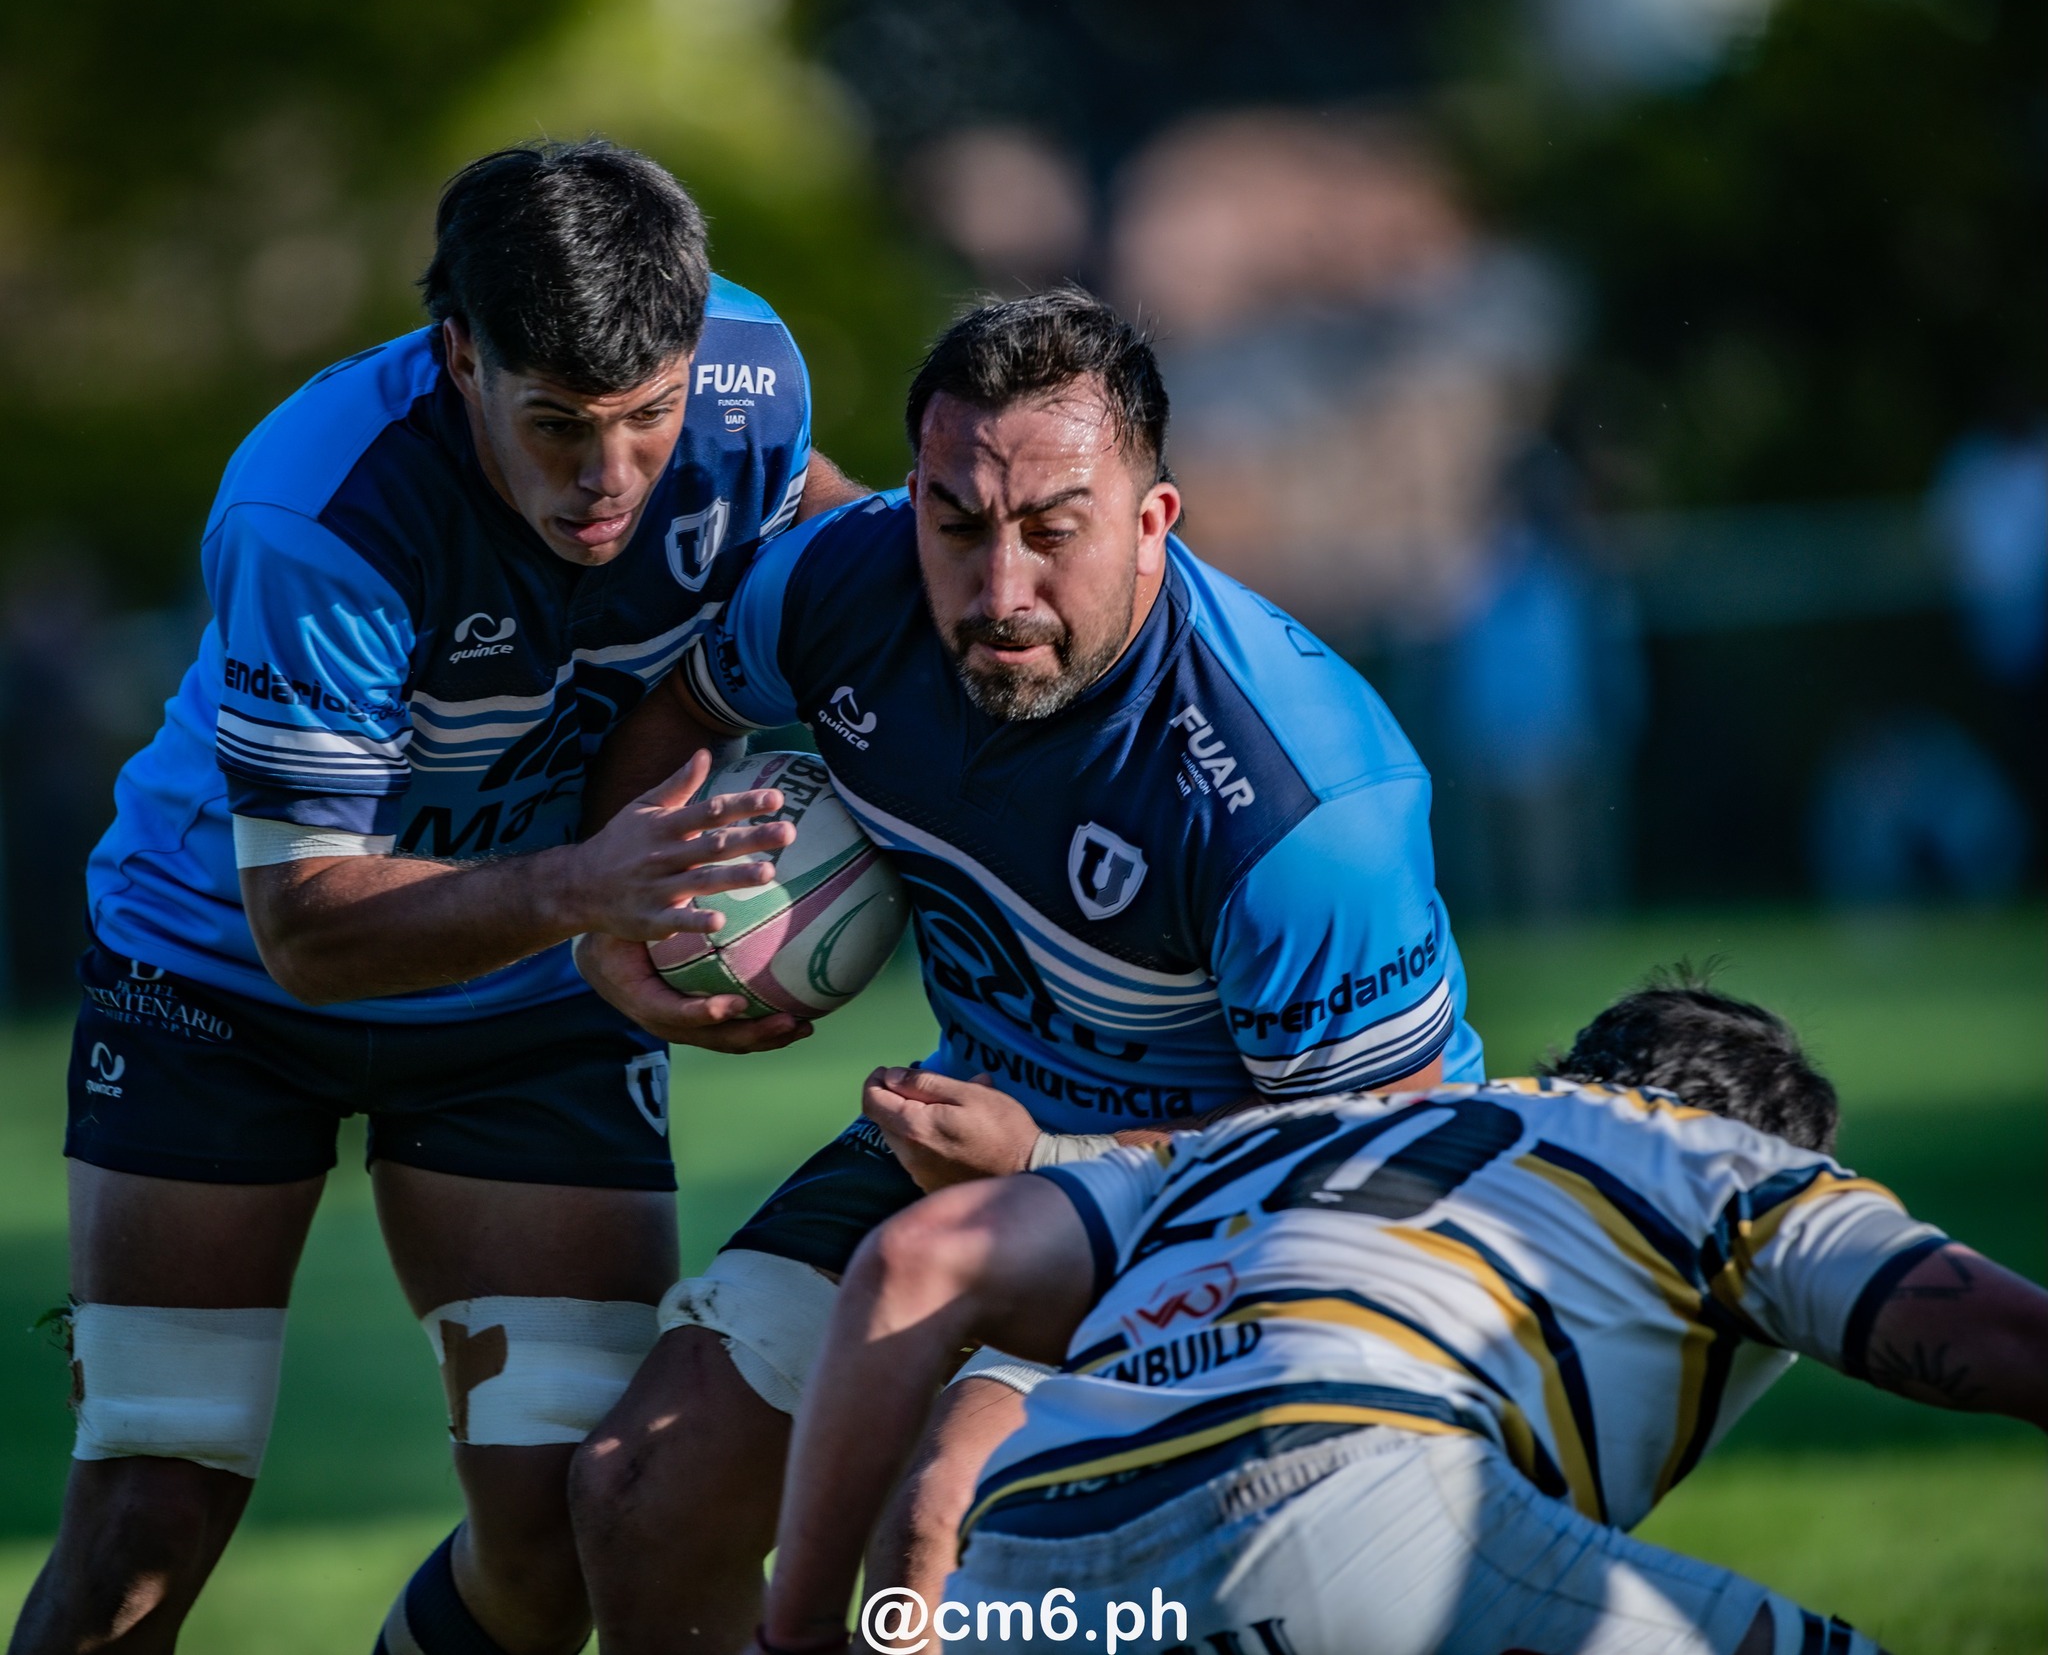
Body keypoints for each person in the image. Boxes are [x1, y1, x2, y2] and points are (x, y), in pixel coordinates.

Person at [11, 139, 864, 1655]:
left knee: (559, 1540)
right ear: (462, 354)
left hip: (530, 987)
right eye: (558, 425)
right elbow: (308, 928)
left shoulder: (752, 383)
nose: (609, 478)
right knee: (148, 1515)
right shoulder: (319, 507)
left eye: (648, 417)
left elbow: (849, 563)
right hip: (220, 981)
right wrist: (592, 886)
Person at [568, 288, 1484, 1651]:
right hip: (965, 1143)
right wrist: (615, 909)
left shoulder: (1301, 806)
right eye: (957, 525)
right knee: (641, 1490)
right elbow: (682, 711)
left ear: (1153, 522)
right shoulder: (842, 584)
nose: (1001, 593)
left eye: (1055, 531)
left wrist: (1051, 1165)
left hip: (1252, 1218)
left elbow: (1378, 1155)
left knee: (932, 1560)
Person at [757, 979, 2048, 1655]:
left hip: (1027, 1586)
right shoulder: (1727, 1166)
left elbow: (917, 1261)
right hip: (1349, 1499)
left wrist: (801, 1634)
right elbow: (2009, 1344)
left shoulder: (1282, 1134)